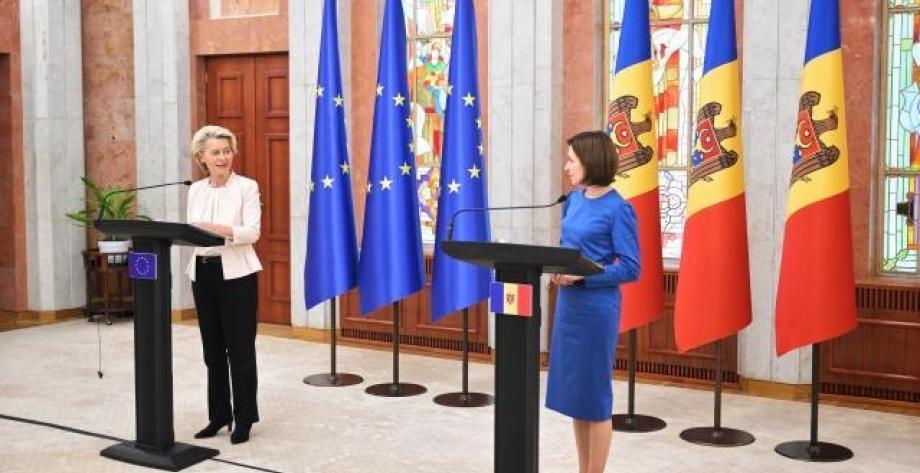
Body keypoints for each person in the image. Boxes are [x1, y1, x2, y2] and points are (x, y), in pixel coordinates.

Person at [546, 130, 641, 473]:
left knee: (596, 399)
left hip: (596, 311)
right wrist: (557, 270)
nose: (567, 166)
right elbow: (567, 246)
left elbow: (631, 268)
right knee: (577, 398)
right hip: (568, 308)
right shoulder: (574, 199)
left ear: (591, 161)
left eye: (572, 160)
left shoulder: (619, 209)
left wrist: (584, 276)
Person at [185, 125, 263, 445]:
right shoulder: (196, 190)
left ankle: (244, 418)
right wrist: (206, 230)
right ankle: (219, 416)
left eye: (226, 151)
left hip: (237, 276)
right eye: (215, 152)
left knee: (240, 351)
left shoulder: (247, 187)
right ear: (202, 157)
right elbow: (191, 231)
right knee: (212, 352)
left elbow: (251, 232)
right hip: (202, 274)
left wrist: (216, 228)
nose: (222, 157)